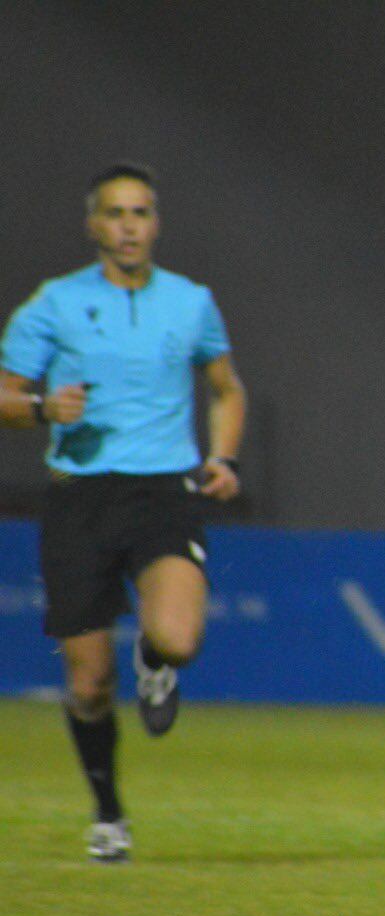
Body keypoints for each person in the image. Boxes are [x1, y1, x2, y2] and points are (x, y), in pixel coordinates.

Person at [0, 162, 247, 862]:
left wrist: (222, 459)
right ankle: (108, 812)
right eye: (115, 213)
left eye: (141, 212)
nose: (129, 225)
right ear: (93, 225)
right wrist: (44, 407)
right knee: (87, 680)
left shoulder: (190, 301)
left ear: (156, 223)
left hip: (163, 490)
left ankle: (154, 660)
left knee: (178, 638)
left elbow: (227, 389)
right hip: (80, 496)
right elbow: (6, 395)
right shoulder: (53, 304)